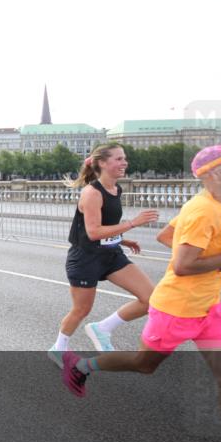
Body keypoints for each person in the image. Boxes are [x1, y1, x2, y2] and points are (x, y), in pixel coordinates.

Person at [60, 145, 221, 442]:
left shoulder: (218, 206)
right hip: (176, 310)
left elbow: (166, 236)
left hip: (209, 311)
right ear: (215, 173)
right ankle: (82, 366)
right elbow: (182, 265)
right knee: (142, 364)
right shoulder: (203, 211)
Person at [49, 144, 159, 364]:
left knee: (153, 299)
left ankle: (103, 329)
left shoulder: (116, 189)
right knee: (81, 309)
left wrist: (121, 239)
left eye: (124, 158)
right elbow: (93, 232)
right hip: (86, 258)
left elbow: (106, 226)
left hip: (111, 254)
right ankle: (58, 348)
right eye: (118, 159)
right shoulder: (91, 193)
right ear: (102, 163)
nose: (124, 163)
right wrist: (132, 223)